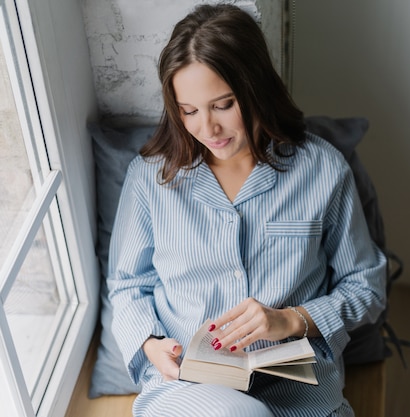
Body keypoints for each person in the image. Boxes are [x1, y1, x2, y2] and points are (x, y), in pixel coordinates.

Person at [107, 4, 387, 417]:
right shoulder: (150, 179)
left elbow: (366, 288)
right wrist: (149, 344)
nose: (207, 128)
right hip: (189, 387)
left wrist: (292, 321)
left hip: (301, 391)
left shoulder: (322, 169)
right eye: (189, 111)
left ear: (256, 89)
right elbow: (127, 285)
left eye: (223, 105)